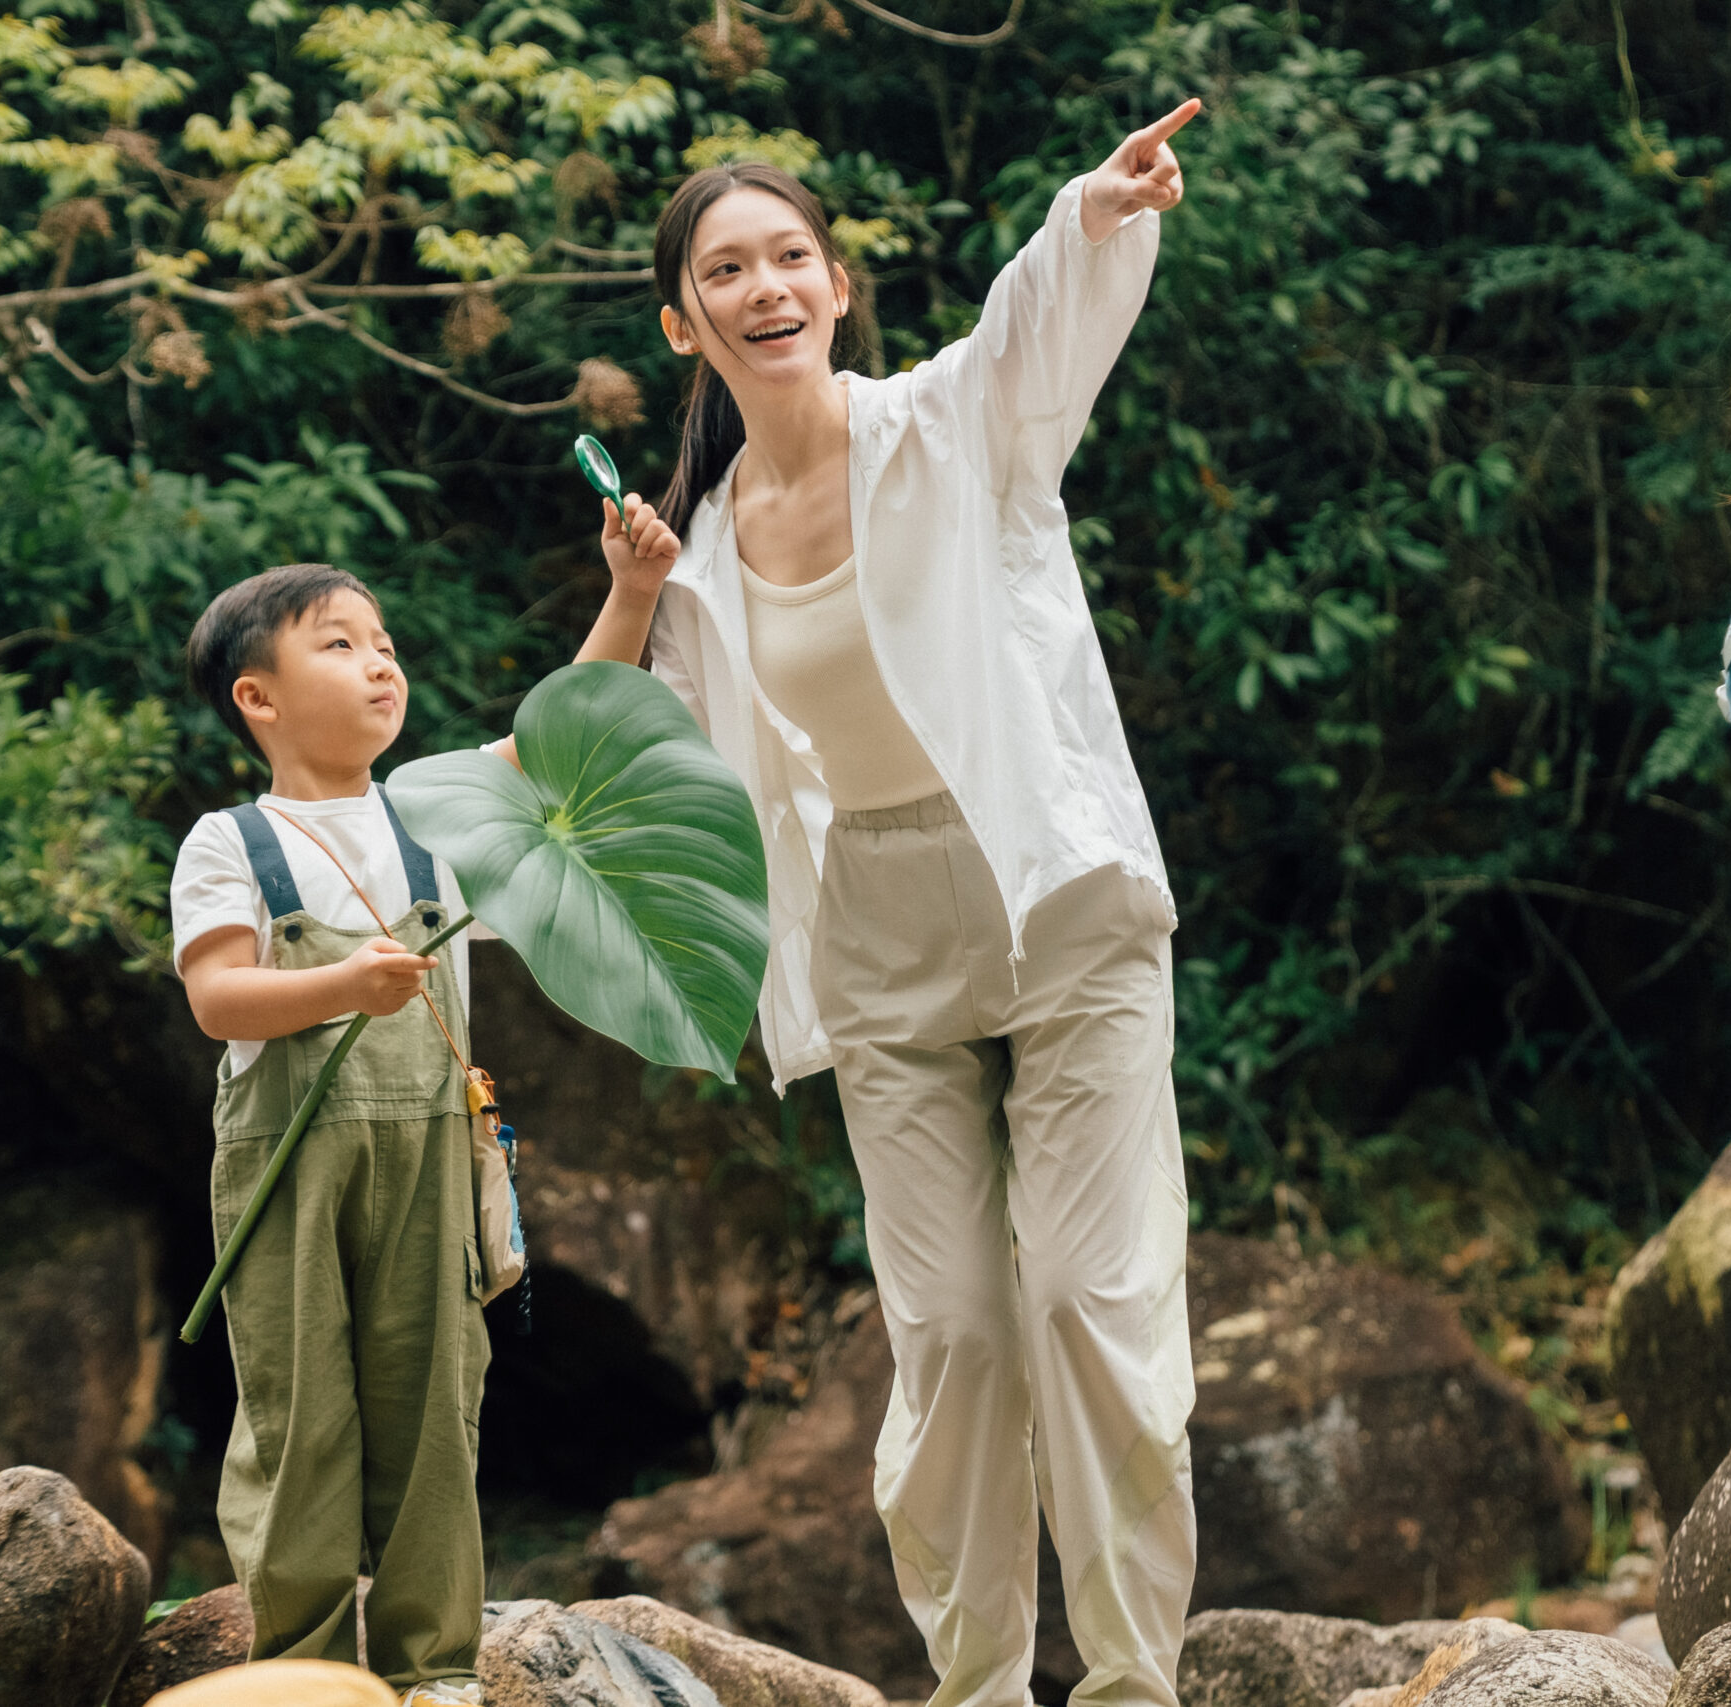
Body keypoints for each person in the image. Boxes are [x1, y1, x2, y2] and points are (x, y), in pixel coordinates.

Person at [561, 103, 1203, 1707]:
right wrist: (633, 592)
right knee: (957, 1333)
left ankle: (1132, 1681)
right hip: (875, 937)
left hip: (1054, 896)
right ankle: (978, 1684)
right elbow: (572, 760)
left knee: (1083, 1294)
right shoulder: (698, 551)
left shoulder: (949, 425)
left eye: (790, 258)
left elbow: (1032, 330)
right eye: (728, 269)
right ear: (681, 319)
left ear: (836, 287)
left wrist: (1098, 208)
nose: (765, 286)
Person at [169, 556, 673, 1705]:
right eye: (338, 644)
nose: (380, 660)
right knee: (303, 1419)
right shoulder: (230, 840)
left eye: (383, 640)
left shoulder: (434, 821)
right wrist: (347, 986)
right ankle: (296, 1672)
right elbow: (219, 999)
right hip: (289, 1167)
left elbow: (559, 735)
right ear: (259, 697)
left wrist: (633, 592)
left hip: (430, 1161)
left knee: (435, 1408)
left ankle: (433, 1674)